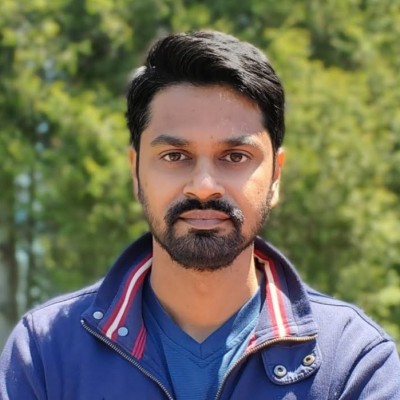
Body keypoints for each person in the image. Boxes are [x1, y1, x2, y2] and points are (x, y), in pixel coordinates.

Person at [0, 30, 399, 400]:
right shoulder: (45, 353)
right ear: (136, 173)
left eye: (235, 156)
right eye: (175, 156)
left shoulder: (353, 361)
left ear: (276, 176)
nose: (204, 186)